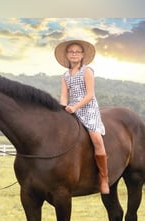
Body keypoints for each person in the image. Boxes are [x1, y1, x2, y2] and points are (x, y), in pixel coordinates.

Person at [54, 40, 109, 194]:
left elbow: (90, 95)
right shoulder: (65, 76)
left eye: (78, 52)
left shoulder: (87, 71)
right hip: (72, 109)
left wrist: (76, 107)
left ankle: (104, 178)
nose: (74, 54)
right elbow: (64, 96)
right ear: (66, 55)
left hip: (88, 108)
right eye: (71, 51)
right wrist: (63, 108)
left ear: (83, 55)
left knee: (96, 139)